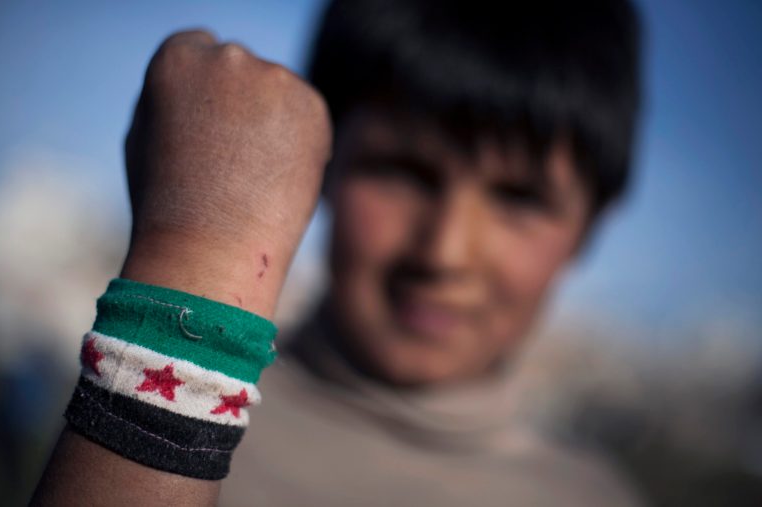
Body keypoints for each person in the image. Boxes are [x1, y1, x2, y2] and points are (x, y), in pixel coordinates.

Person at [31, 0, 644, 506]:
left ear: (590, 227)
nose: (446, 253)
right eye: (401, 172)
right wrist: (196, 257)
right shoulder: (101, 419)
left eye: (520, 199)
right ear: (320, 169)